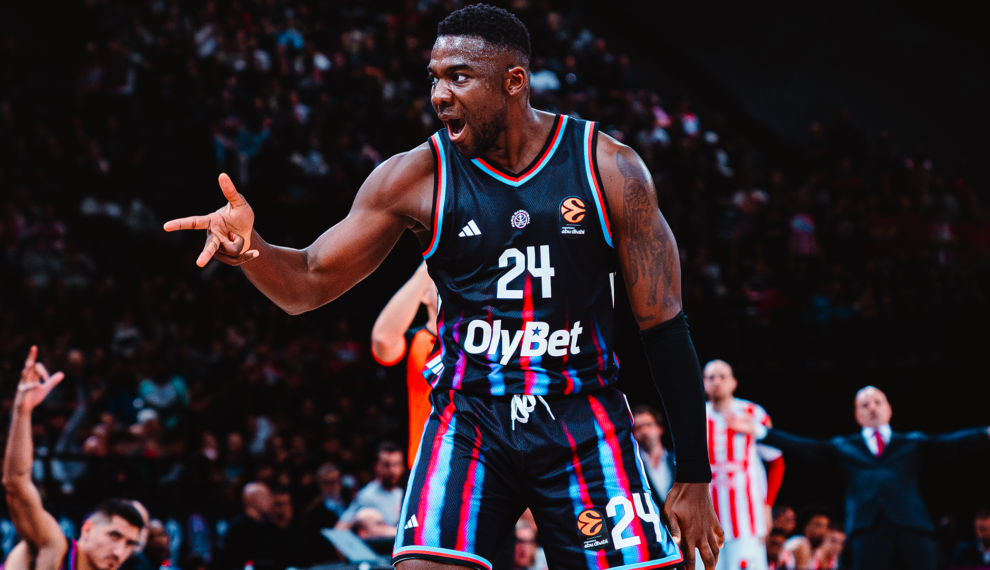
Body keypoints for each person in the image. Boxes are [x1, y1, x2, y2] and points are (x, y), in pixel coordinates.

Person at [163, 4, 721, 569]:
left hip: (581, 416)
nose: (439, 95)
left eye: (459, 77)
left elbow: (664, 326)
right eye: (434, 78)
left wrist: (694, 476)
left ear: (513, 81)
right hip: (470, 420)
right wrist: (252, 248)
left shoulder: (609, 169)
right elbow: (306, 282)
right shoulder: (415, 176)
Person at [750, 386, 990, 570]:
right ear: (857, 415)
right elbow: (804, 446)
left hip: (912, 527)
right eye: (865, 404)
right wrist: (762, 432)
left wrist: (984, 433)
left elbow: (951, 443)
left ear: (889, 409)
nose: (872, 407)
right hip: (866, 530)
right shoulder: (844, 447)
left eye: (878, 402)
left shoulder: (911, 443)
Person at [3, 347, 146, 570]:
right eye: (114, 536)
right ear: (87, 530)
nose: (119, 552)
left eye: (129, 545)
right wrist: (22, 412)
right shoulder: (54, 548)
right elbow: (16, 483)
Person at [699, 360, 784, 570]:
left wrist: (767, 507)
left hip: (747, 519)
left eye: (722, 376)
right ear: (703, 383)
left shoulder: (753, 413)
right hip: (705, 521)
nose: (717, 382)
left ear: (734, 382)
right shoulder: (695, 417)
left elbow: (776, 462)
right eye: (711, 377)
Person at [371, 262, 438, 467]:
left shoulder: (481, 342)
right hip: (424, 469)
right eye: (442, 279)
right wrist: (429, 263)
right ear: (425, 294)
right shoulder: (413, 341)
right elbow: (382, 339)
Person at [336, 442, 405, 528]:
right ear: (376, 466)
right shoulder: (366, 495)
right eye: (387, 465)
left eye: (397, 464)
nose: (392, 471)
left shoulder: (403, 494)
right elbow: (341, 526)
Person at [211, 482, 276, 570]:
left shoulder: (267, 526)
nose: (271, 500)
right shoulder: (238, 528)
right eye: (266, 496)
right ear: (252, 499)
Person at [632, 405, 675, 502]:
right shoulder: (633, 466)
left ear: (660, 428)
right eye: (638, 427)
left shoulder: (677, 460)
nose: (644, 431)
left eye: (648, 425)